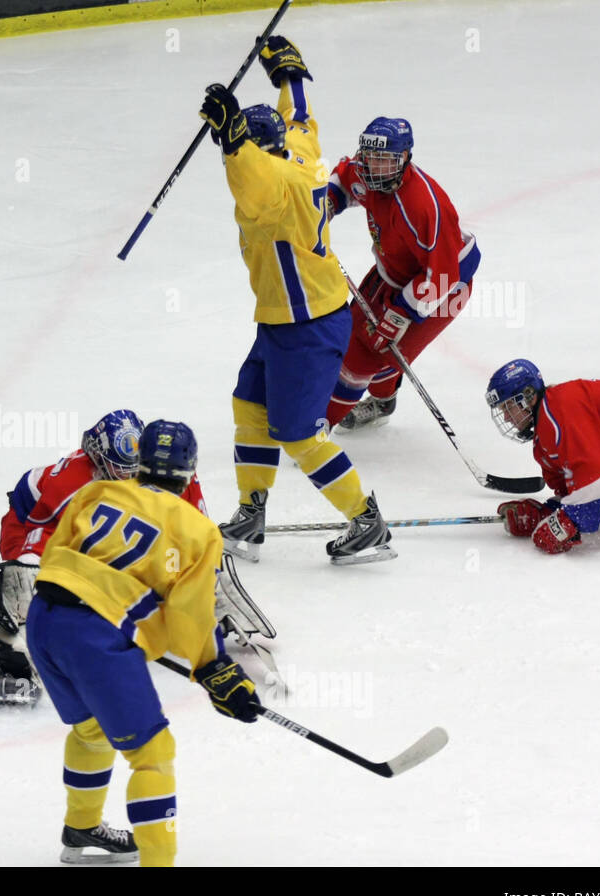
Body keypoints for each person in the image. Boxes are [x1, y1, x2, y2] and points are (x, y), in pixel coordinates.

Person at [25, 420, 261, 867]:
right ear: (189, 472)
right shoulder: (198, 531)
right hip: (95, 638)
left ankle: (81, 828)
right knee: (153, 753)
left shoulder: (97, 493)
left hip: (43, 622)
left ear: (140, 462)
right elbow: (193, 613)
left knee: (92, 729)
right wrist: (215, 668)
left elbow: (61, 555)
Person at [199, 35, 394, 565]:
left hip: (306, 326)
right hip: (286, 318)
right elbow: (301, 117)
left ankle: (366, 521)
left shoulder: (272, 185)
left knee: (300, 435)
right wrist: (288, 75)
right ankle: (252, 512)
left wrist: (229, 136)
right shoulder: (300, 154)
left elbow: (248, 175)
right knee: (250, 405)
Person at [0, 409, 207, 704]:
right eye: (120, 469)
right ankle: (7, 646)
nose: (130, 478)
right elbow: (37, 548)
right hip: (28, 523)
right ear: (99, 459)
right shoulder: (72, 486)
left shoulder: (173, 473)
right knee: (29, 578)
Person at [324, 117, 481, 430]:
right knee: (351, 335)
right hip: (394, 272)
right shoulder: (367, 170)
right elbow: (344, 181)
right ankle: (383, 400)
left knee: (367, 357)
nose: (372, 166)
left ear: (405, 159)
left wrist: (401, 311)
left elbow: (444, 275)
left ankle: (316, 429)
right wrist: (325, 206)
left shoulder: (424, 207)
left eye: (384, 159)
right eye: (369, 156)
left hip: (445, 289)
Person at [486, 354, 600, 553]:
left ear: (528, 395)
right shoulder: (543, 444)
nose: (506, 417)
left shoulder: (561, 405)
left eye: (508, 406)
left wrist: (568, 523)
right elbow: (578, 493)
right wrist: (545, 514)